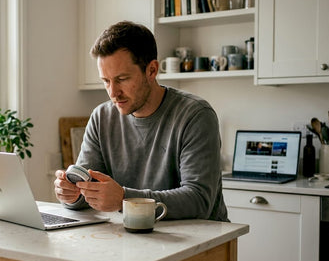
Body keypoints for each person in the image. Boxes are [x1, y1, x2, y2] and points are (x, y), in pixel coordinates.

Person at [54, 21, 228, 222]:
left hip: (203, 242)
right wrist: (72, 194)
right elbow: (90, 192)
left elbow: (199, 201)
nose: (113, 92)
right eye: (106, 81)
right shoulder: (101, 117)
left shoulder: (196, 115)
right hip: (136, 236)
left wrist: (123, 199)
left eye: (122, 79)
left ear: (152, 70)